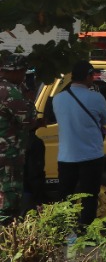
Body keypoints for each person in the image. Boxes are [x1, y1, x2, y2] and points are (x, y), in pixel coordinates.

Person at [51, 60, 106, 233]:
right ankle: (85, 232)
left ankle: (64, 231)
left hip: (66, 157)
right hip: (91, 156)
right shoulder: (96, 97)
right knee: (89, 197)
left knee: (65, 196)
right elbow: (105, 119)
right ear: (88, 76)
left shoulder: (58, 99)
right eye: (92, 75)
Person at [0, 54, 33, 221]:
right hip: (8, 156)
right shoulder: (10, 92)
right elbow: (28, 119)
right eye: (23, 72)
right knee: (9, 202)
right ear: (15, 71)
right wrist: (29, 98)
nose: (23, 76)